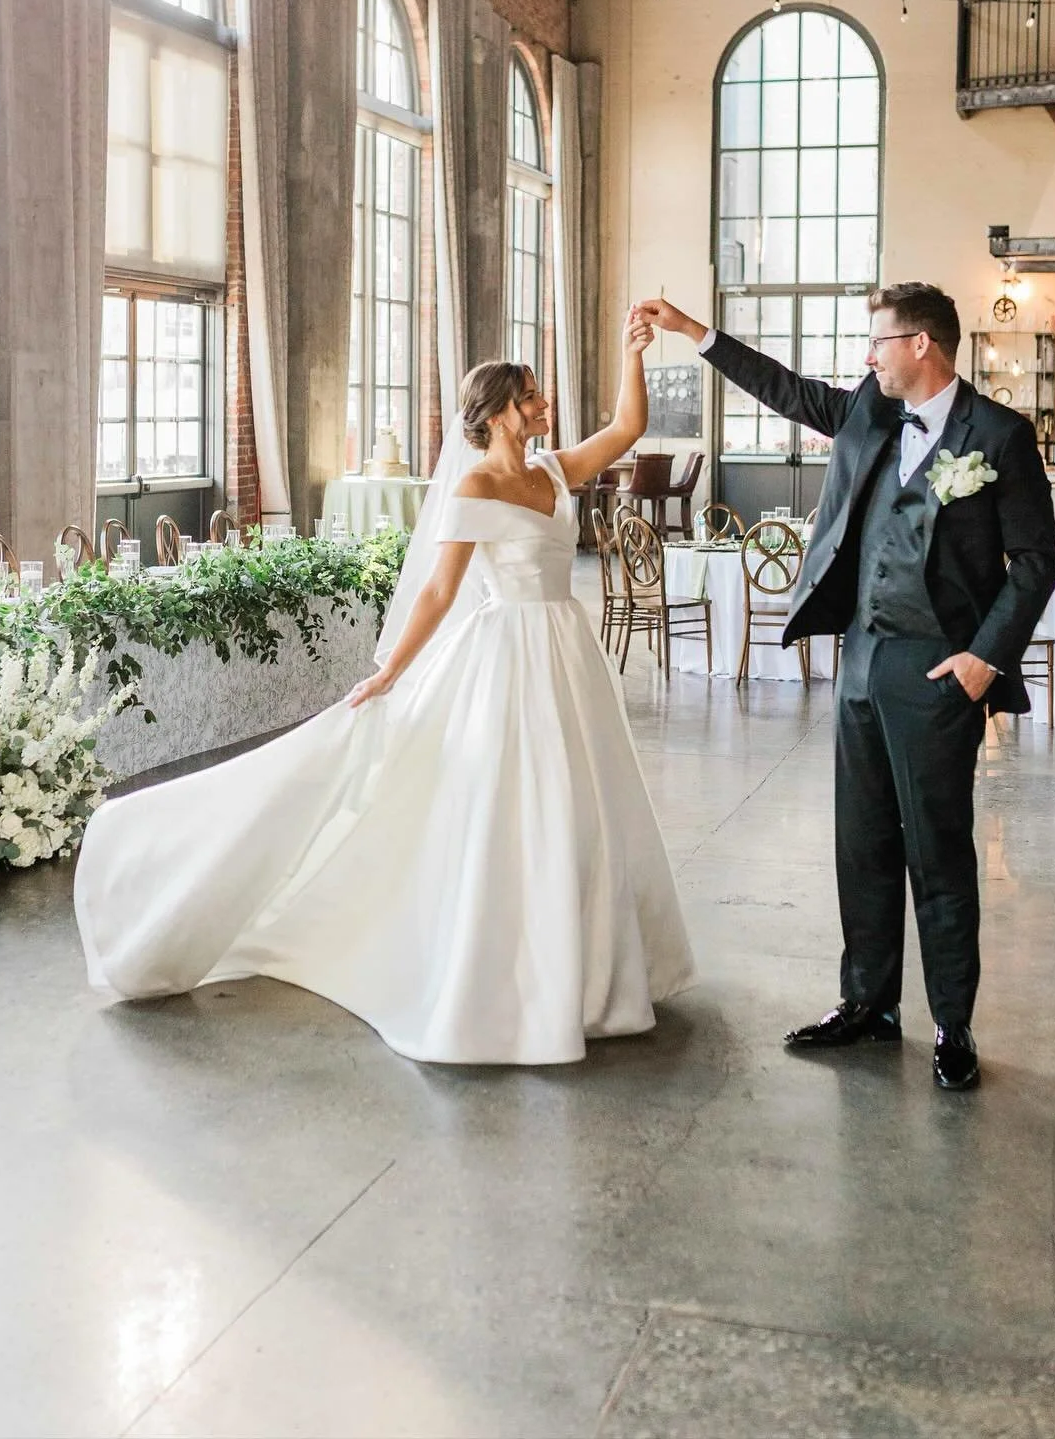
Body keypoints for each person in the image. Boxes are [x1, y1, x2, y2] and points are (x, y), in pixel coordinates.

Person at [73, 308, 694, 1066]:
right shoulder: (474, 490)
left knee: (581, 804)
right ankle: (508, 977)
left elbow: (627, 427)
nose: (542, 405)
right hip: (508, 660)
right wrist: (392, 668)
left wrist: (634, 352)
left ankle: (587, 971)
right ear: (498, 411)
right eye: (530, 396)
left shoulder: (554, 471)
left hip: (567, 651)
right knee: (516, 809)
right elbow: (437, 592)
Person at [636, 283, 1055, 1091]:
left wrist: (982, 659)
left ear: (924, 344)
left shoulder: (999, 436)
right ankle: (867, 1006)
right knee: (860, 842)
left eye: (880, 341)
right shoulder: (871, 407)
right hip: (861, 658)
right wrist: (696, 333)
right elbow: (788, 390)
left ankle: (952, 1025)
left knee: (936, 850)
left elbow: (1037, 561)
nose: (869, 356)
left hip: (940, 671)